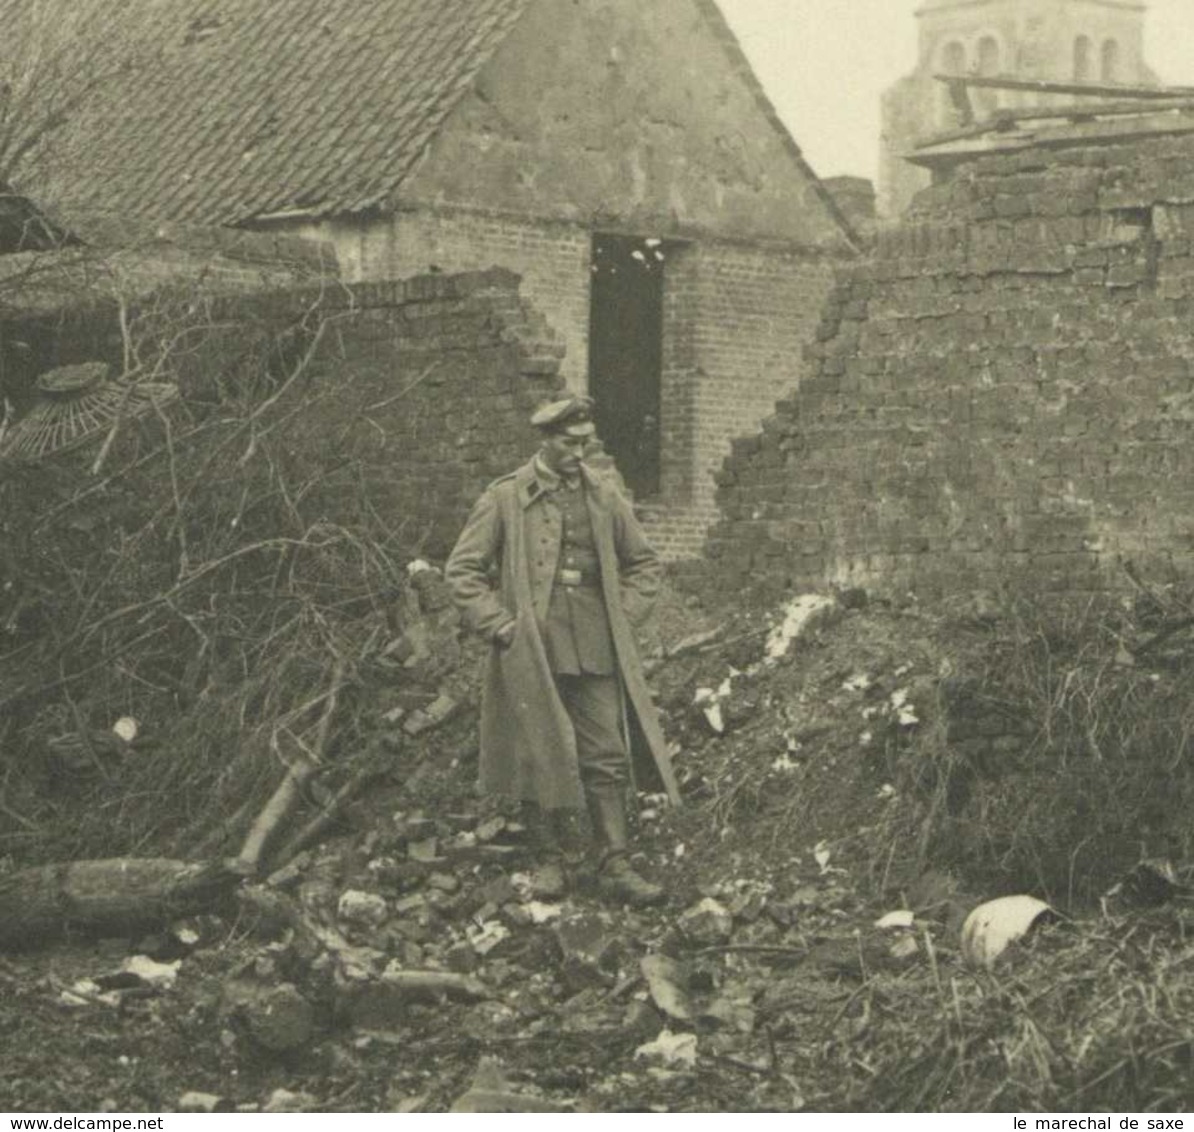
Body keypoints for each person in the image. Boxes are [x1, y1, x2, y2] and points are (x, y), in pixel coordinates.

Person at [444, 395, 680, 906]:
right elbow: (461, 572)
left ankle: (614, 863)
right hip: (532, 644)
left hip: (594, 639)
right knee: (537, 750)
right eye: (570, 444)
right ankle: (548, 860)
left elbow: (644, 564)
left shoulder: (604, 495)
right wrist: (501, 626)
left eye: (586, 443)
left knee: (606, 752)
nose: (580, 453)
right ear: (546, 441)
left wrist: (624, 615)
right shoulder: (506, 497)